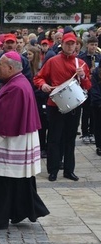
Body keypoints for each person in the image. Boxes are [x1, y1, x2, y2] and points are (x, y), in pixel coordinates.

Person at [0, 51, 49, 231]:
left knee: (2, 182)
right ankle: (20, 211)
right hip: (16, 138)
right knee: (13, 182)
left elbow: (2, 118)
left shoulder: (16, 87)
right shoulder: (17, 82)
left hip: (10, 142)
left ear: (10, 67)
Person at [34, 33, 91, 182]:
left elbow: (88, 86)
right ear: (62, 44)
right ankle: (53, 170)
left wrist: (83, 77)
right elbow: (38, 78)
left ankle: (69, 170)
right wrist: (44, 85)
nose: (70, 46)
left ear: (76, 46)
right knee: (54, 138)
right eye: (68, 44)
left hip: (74, 106)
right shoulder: (52, 61)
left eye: (73, 44)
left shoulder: (81, 64)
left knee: (70, 139)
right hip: (55, 105)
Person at [78, 36, 101, 144]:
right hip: (86, 86)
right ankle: (85, 133)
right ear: (87, 45)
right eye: (92, 45)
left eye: (96, 45)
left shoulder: (99, 57)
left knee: (94, 112)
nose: (94, 47)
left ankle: (92, 132)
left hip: (96, 87)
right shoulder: (82, 58)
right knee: (86, 111)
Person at [27, 46, 48, 158]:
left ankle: (43, 147)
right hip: (32, 99)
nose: (28, 57)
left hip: (40, 100)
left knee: (43, 124)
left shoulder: (40, 68)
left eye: (30, 54)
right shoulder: (27, 68)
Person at [90, 59, 101, 156]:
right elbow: (94, 89)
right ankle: (99, 146)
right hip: (97, 104)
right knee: (98, 125)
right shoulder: (96, 73)